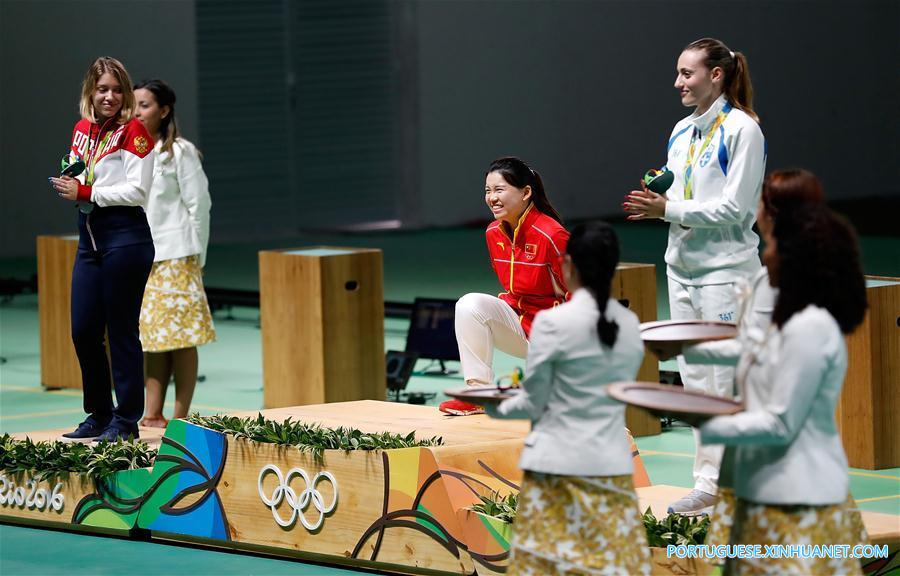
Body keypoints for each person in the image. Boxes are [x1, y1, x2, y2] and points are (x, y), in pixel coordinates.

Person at [623, 37, 766, 515]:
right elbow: (682, 186)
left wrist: (671, 207)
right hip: (681, 270)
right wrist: (657, 193)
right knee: (695, 382)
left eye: (687, 73)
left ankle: (717, 484)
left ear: (717, 76)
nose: (678, 82)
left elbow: (735, 207)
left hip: (726, 272)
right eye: (679, 73)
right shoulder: (682, 130)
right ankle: (716, 481)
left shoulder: (743, 130)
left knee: (721, 383)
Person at [697, 203, 868, 574]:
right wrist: (688, 350)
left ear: (798, 260)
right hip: (764, 491)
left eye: (773, 247)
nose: (765, 252)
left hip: (800, 501)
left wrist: (704, 421)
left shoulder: (809, 328)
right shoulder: (786, 321)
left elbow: (779, 424)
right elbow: (749, 354)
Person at [475, 222, 651, 575]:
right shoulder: (630, 323)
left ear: (568, 266)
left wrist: (496, 405)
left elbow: (534, 402)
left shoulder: (552, 323)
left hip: (555, 468)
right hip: (611, 468)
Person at [50, 57, 155, 443]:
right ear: (90, 93)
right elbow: (86, 170)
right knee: (83, 331)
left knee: (121, 332)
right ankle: (99, 414)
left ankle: (126, 421)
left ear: (125, 93)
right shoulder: (83, 129)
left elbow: (137, 191)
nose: (108, 97)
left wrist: (87, 192)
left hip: (126, 239)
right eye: (101, 89)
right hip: (90, 240)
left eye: (115, 90)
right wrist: (72, 177)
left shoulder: (135, 132)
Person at [439, 157, 569, 416]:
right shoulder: (493, 233)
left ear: (526, 192)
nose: (492, 198)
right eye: (488, 191)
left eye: (500, 190)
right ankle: (478, 394)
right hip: (522, 324)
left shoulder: (552, 235)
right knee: (469, 305)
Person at [133, 79, 216, 428]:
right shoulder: (131, 152)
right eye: (133, 105)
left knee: (181, 338)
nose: (136, 111)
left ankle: (180, 417)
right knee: (152, 336)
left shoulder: (179, 151)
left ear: (164, 111)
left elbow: (200, 204)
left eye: (145, 105)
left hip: (178, 253)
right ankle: (152, 412)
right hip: (143, 255)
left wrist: (198, 255)